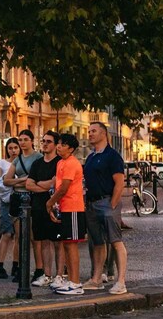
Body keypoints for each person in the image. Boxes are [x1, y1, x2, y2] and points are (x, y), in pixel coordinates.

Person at [82, 121, 129, 294]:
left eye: (94, 131)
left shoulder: (112, 156)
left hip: (107, 202)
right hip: (92, 203)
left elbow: (119, 182)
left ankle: (121, 281)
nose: (90, 134)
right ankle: (96, 279)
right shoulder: (91, 156)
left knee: (116, 241)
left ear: (104, 134)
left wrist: (113, 204)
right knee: (97, 243)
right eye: (89, 131)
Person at [45, 134, 86, 295]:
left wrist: (50, 202)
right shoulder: (61, 162)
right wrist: (55, 205)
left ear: (71, 149)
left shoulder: (71, 163)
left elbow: (64, 188)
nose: (59, 146)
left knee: (72, 244)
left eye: (62, 144)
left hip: (74, 207)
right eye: (59, 144)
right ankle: (71, 279)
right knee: (67, 244)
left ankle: (75, 282)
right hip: (64, 207)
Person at [25, 131, 64, 288]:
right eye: (43, 141)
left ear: (55, 144)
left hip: (56, 206)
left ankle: (60, 275)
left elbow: (57, 185)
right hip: (39, 206)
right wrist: (45, 185)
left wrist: (39, 184)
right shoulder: (37, 163)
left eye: (48, 141)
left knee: (58, 242)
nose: (45, 144)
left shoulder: (60, 163)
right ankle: (47, 274)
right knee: (44, 241)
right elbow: (28, 184)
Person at [2, 129, 41, 282]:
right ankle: (19, 268)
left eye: (25, 139)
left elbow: (36, 180)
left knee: (32, 236)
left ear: (32, 141)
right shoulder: (17, 159)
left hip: (32, 197)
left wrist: (22, 181)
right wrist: (22, 180)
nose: (22, 142)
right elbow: (6, 180)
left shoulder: (38, 157)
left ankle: (38, 269)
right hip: (17, 197)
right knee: (19, 236)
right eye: (20, 139)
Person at [0, 137, 20, 279]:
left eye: (16, 147)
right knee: (6, 233)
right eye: (10, 148)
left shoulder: (22, 162)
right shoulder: (2, 163)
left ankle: (16, 265)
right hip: (6, 200)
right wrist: (11, 183)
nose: (13, 150)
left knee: (19, 235)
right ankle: (0, 265)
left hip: (20, 200)